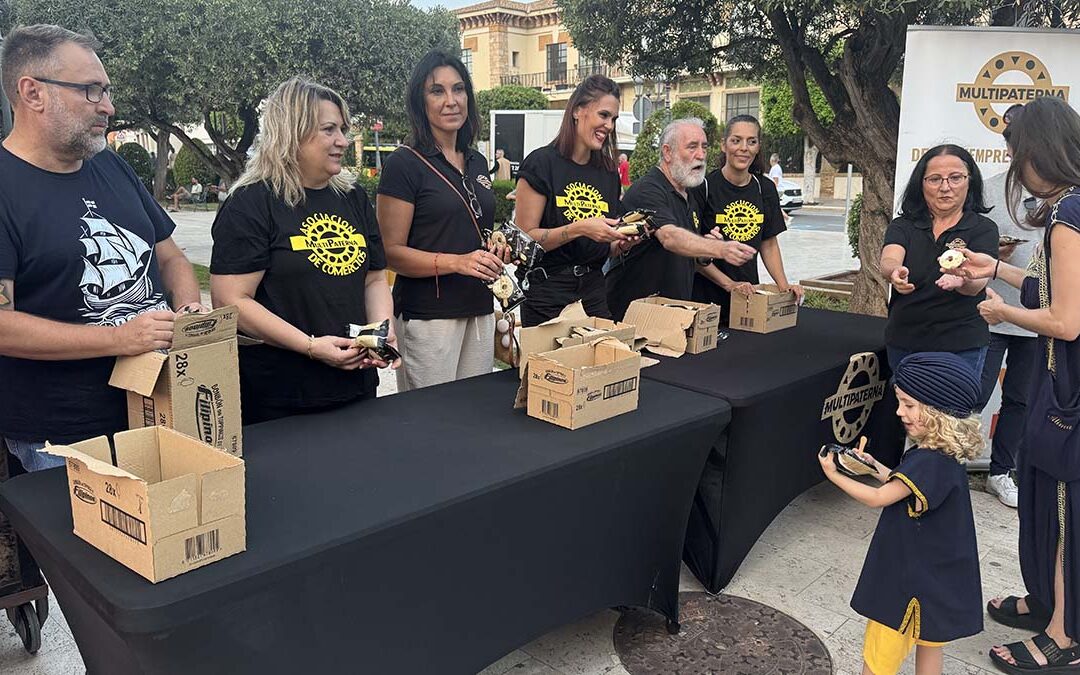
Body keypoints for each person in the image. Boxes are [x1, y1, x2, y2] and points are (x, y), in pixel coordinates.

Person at [0, 25, 204, 470]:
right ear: (32, 93)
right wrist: (119, 338)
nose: (108, 107)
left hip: (157, 407)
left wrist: (189, 310)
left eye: (106, 91)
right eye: (91, 91)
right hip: (64, 440)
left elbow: (169, 255)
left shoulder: (109, 164)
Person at [941, 97, 1080, 674]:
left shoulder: (1069, 215)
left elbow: (1066, 320)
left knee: (1066, 503)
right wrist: (992, 266)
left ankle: (1064, 636)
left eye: (1017, 153)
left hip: (1068, 384)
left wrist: (1002, 314)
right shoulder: (1069, 210)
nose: (1014, 166)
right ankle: (1048, 602)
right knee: (1045, 490)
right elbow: (1050, 289)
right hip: (1060, 381)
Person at [210, 76, 396, 425]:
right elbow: (230, 299)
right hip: (280, 396)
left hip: (356, 386)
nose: (342, 140)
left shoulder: (353, 197)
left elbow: (374, 279)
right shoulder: (251, 202)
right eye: (329, 129)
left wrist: (381, 332)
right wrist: (311, 346)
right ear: (292, 132)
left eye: (342, 128)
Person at [818, 352, 983, 675]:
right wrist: (873, 466)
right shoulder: (942, 455)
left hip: (907, 580)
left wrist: (835, 475)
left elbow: (880, 498)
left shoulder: (927, 460)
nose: (899, 412)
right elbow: (902, 483)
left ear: (938, 411)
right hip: (938, 578)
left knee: (878, 660)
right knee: (930, 651)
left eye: (908, 404)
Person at [378, 51, 506, 391]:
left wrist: (493, 244)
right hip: (428, 316)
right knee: (430, 425)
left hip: (479, 308)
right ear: (420, 101)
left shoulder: (477, 161)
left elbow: (470, 223)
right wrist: (457, 262)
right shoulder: (404, 164)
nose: (451, 101)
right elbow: (390, 252)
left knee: (474, 417)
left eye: (459, 89)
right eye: (437, 91)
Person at [605, 118, 755, 321]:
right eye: (692, 147)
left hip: (669, 319)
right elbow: (670, 237)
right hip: (632, 319)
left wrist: (706, 253)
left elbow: (687, 256)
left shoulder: (689, 194)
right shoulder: (649, 189)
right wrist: (721, 249)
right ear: (667, 152)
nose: (701, 155)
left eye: (704, 147)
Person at [514, 74, 629, 326]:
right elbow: (523, 242)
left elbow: (604, 245)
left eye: (613, 119)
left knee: (606, 363)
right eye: (603, 115)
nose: (609, 126)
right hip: (547, 292)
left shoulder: (609, 172)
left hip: (593, 290)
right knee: (552, 367)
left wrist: (623, 242)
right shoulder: (541, 164)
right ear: (578, 110)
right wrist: (579, 228)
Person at [879, 144, 998, 375]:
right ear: (920, 184)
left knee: (953, 411)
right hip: (905, 340)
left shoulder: (983, 229)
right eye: (934, 179)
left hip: (961, 345)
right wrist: (895, 272)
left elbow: (977, 284)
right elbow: (889, 258)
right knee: (907, 409)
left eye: (955, 178)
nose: (945, 187)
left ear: (969, 181)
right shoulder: (904, 225)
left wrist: (963, 280)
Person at [976, 103, 1034, 509]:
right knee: (973, 391)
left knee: (1021, 399)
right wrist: (990, 250)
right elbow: (964, 240)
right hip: (991, 307)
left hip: (1038, 317)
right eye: (1010, 139)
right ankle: (942, 457)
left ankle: (1001, 471)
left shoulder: (1065, 193)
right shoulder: (989, 188)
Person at [691, 115, 802, 322]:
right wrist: (729, 285)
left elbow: (768, 244)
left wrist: (784, 288)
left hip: (749, 302)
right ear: (724, 145)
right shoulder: (703, 187)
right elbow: (692, 253)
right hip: (707, 303)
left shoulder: (765, 188)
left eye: (751, 141)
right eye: (736, 140)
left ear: (758, 147)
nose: (744, 148)